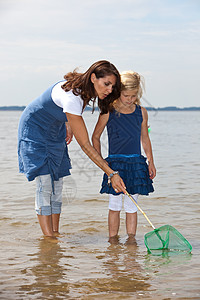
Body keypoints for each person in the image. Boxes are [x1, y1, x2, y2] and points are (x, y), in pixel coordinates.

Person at [18, 60, 126, 238]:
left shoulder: (83, 90)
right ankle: (49, 239)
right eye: (106, 84)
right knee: (45, 183)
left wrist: (67, 122)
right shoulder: (73, 97)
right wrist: (111, 173)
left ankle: (55, 233)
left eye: (112, 86)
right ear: (93, 78)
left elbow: (60, 106)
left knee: (57, 183)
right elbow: (85, 145)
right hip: (34, 130)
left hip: (55, 130)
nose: (109, 90)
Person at [92, 71, 156, 243]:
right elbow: (95, 137)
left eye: (133, 96)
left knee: (132, 207)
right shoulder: (108, 111)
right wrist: (102, 162)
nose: (130, 99)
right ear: (118, 92)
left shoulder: (141, 112)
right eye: (126, 95)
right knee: (114, 206)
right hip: (115, 165)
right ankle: (112, 241)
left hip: (135, 163)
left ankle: (131, 242)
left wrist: (151, 161)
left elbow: (145, 137)